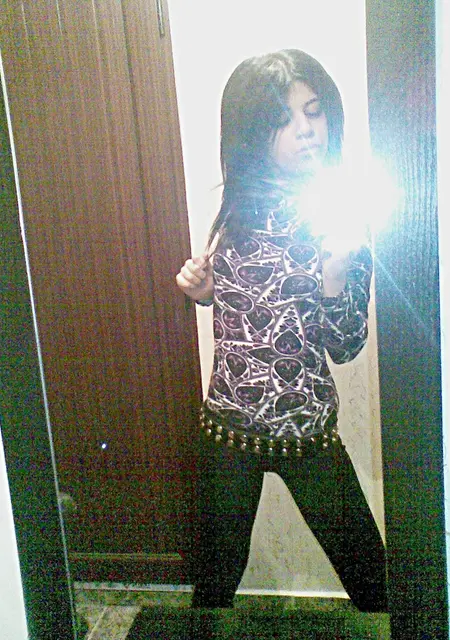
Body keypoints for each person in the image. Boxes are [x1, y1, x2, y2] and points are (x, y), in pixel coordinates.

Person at [176, 49, 387, 613]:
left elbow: (345, 346)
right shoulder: (239, 207)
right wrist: (207, 292)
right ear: (252, 133)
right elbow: (254, 307)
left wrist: (335, 275)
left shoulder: (344, 217)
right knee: (213, 587)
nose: (305, 130)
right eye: (282, 119)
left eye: (313, 113)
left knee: (374, 584)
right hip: (228, 429)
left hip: (307, 430)